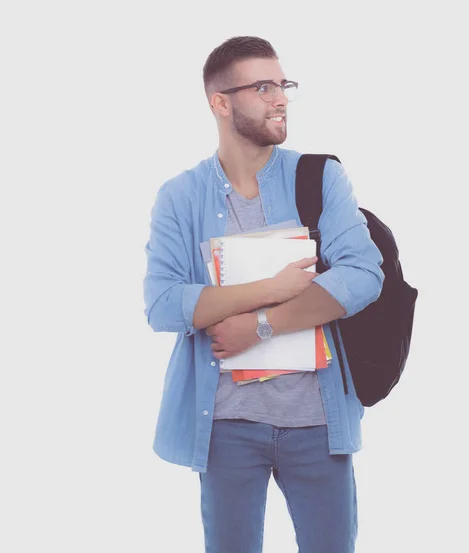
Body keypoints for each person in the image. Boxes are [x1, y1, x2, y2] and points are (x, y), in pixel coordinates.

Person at [143, 35, 384, 553]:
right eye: (263, 86)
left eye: (283, 85)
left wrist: (260, 323)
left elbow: (363, 274)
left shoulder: (319, 178)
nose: (280, 98)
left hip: (318, 424)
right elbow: (163, 304)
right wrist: (272, 288)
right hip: (225, 425)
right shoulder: (181, 196)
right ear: (220, 102)